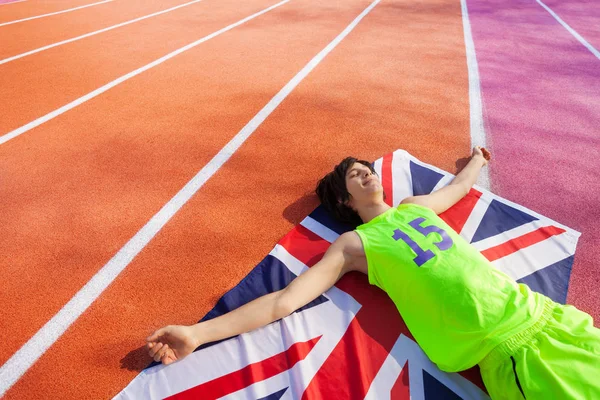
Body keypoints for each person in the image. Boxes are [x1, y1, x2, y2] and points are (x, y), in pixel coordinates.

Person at [146, 147, 600, 399]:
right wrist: (199, 334)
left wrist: (477, 162)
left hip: (550, 318)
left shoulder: (414, 207)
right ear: (344, 201)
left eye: (367, 170)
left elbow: (458, 190)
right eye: (356, 176)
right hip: (507, 352)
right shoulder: (355, 245)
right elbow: (284, 301)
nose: (367, 175)